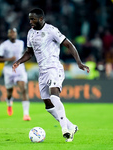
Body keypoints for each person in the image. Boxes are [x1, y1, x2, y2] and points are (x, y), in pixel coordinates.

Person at [12, 8, 90, 142]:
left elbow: (69, 44)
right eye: (30, 18)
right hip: (42, 71)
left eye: (33, 19)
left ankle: (65, 129)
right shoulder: (30, 33)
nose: (30, 21)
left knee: (54, 95)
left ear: (41, 19)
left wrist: (79, 62)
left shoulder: (51, 30)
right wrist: (19, 61)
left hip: (54, 68)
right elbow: (29, 52)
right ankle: (72, 126)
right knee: (48, 104)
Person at [0, 28, 31, 121]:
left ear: (16, 34)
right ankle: (9, 103)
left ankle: (26, 114)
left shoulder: (21, 43)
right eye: (11, 33)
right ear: (8, 35)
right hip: (8, 70)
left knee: (23, 89)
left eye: (14, 32)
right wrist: (8, 59)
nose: (13, 34)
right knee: (9, 92)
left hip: (19, 69)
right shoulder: (4, 45)